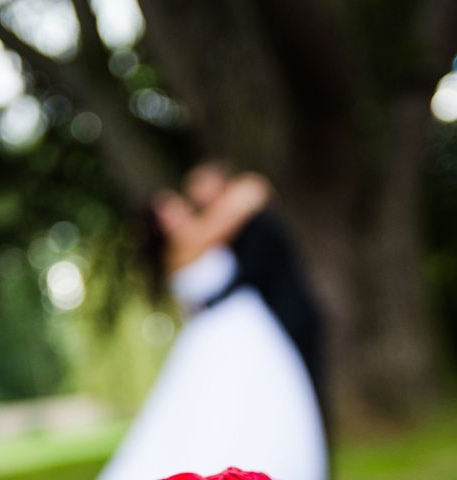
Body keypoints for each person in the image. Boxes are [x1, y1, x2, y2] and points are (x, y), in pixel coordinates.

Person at [97, 174, 327, 480]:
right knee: (224, 411)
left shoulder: (200, 236)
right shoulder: (189, 243)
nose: (176, 213)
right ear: (158, 227)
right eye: (165, 213)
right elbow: (252, 192)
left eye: (174, 204)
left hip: (252, 330)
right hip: (227, 336)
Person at [183, 161, 325, 407]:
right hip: (270, 320)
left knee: (306, 390)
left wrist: (212, 301)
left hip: (292, 316)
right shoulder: (229, 230)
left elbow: (251, 272)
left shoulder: (256, 222)